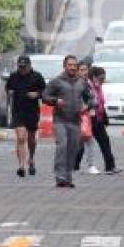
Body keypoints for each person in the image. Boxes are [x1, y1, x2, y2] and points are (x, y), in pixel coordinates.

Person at [42, 55, 93, 188]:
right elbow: (45, 96)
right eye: (69, 65)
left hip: (75, 120)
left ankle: (68, 176)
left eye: (74, 65)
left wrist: (88, 105)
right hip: (60, 120)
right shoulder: (56, 81)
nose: (72, 67)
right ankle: (60, 176)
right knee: (62, 145)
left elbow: (91, 98)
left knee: (72, 149)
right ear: (64, 66)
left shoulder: (82, 82)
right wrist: (55, 101)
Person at [5, 55, 46, 177]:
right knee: (21, 138)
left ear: (29, 66)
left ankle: (31, 159)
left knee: (31, 139)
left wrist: (37, 94)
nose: (22, 69)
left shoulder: (37, 76)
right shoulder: (13, 76)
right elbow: (8, 88)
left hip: (32, 111)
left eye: (24, 67)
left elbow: (45, 91)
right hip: (18, 111)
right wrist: (10, 92)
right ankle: (21, 166)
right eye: (20, 67)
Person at [75, 66, 122, 175]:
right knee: (82, 144)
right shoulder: (87, 86)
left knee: (104, 141)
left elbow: (101, 103)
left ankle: (110, 166)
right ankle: (75, 165)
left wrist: (104, 117)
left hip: (98, 119)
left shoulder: (98, 87)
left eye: (104, 79)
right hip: (88, 118)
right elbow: (88, 102)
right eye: (100, 79)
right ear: (93, 77)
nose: (102, 81)